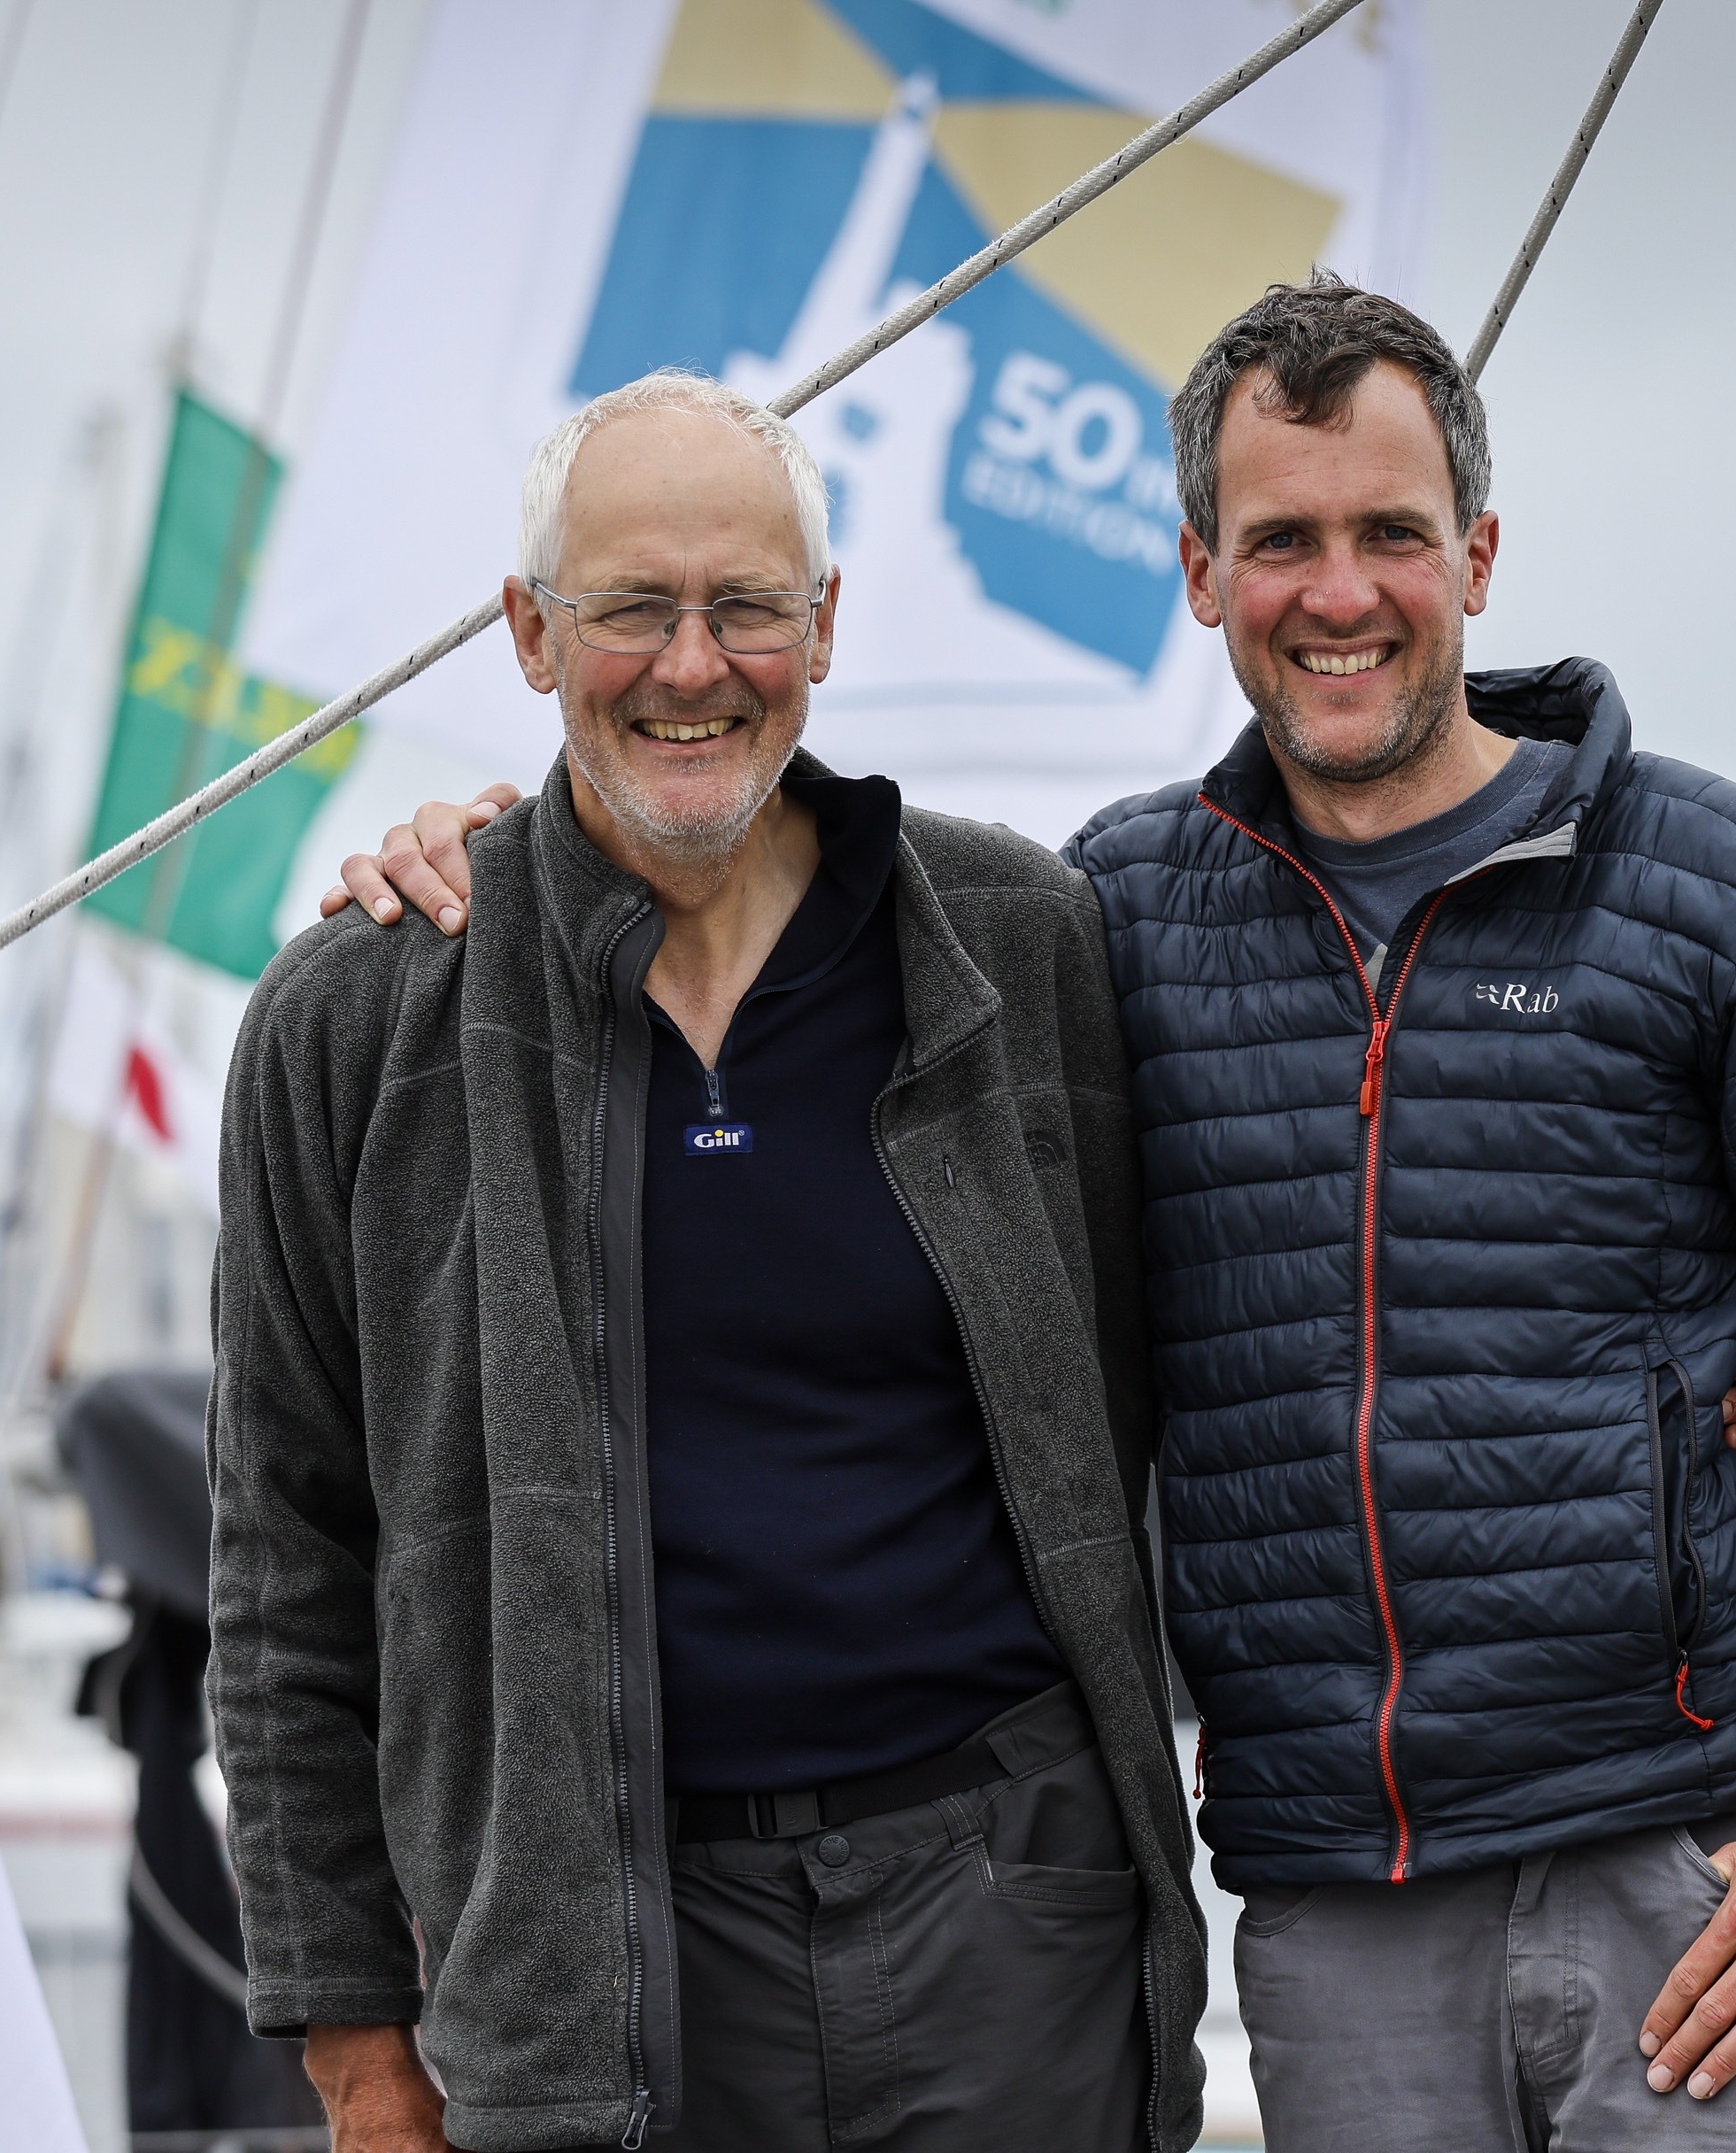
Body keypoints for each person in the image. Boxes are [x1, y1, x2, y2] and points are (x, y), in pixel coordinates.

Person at [332, 280, 1736, 2150]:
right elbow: (683, 835)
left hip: (1698, 1865)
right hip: (1340, 1901)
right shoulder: (1100, 920)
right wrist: (498, 846)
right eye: (1280, 541)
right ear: (1204, 576)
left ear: (1478, 551)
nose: (1341, 591)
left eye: (1390, 533)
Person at [211, 371, 1205, 2153]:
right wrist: (360, 2050)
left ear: (823, 627)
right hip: (592, 1961)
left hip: (1009, 1920)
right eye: (628, 612)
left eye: (746, 607)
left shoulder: (1021, 945)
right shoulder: (356, 1024)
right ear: (529, 634)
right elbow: (285, 1559)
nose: (691, 665)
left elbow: (1208, 1359)